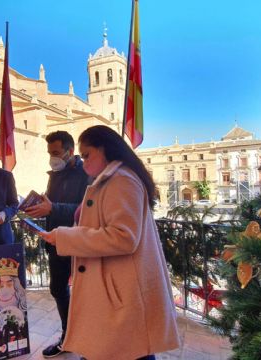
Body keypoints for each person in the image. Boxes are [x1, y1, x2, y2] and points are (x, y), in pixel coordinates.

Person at [39, 125, 180, 360]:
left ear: (105, 150)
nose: (83, 162)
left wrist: (65, 237)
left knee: (131, 349)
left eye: (86, 155)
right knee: (126, 349)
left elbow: (123, 237)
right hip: (115, 288)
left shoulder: (122, 180)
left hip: (121, 290)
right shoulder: (111, 179)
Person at [24, 130, 89, 358]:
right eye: (49, 153)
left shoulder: (86, 173)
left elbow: (87, 211)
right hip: (56, 242)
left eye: (56, 152)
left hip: (80, 244)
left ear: (70, 152)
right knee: (58, 289)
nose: (52, 157)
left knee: (86, 295)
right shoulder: (54, 174)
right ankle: (67, 337)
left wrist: (53, 207)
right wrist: (37, 211)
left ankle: (89, 344)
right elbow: (52, 205)